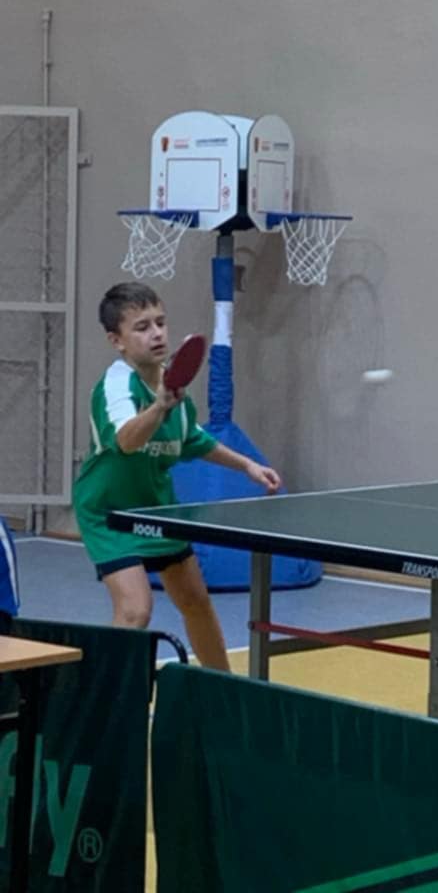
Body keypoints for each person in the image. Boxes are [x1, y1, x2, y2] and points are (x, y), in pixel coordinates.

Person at [73, 282, 281, 671]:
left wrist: (248, 466)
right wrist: (158, 408)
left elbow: (194, 441)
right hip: (109, 513)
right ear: (117, 341)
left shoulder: (173, 387)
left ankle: (221, 687)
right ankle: (105, 695)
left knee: (195, 601)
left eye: (160, 323)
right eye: (142, 327)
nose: (156, 334)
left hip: (156, 508)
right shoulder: (116, 385)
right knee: (135, 611)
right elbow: (127, 440)